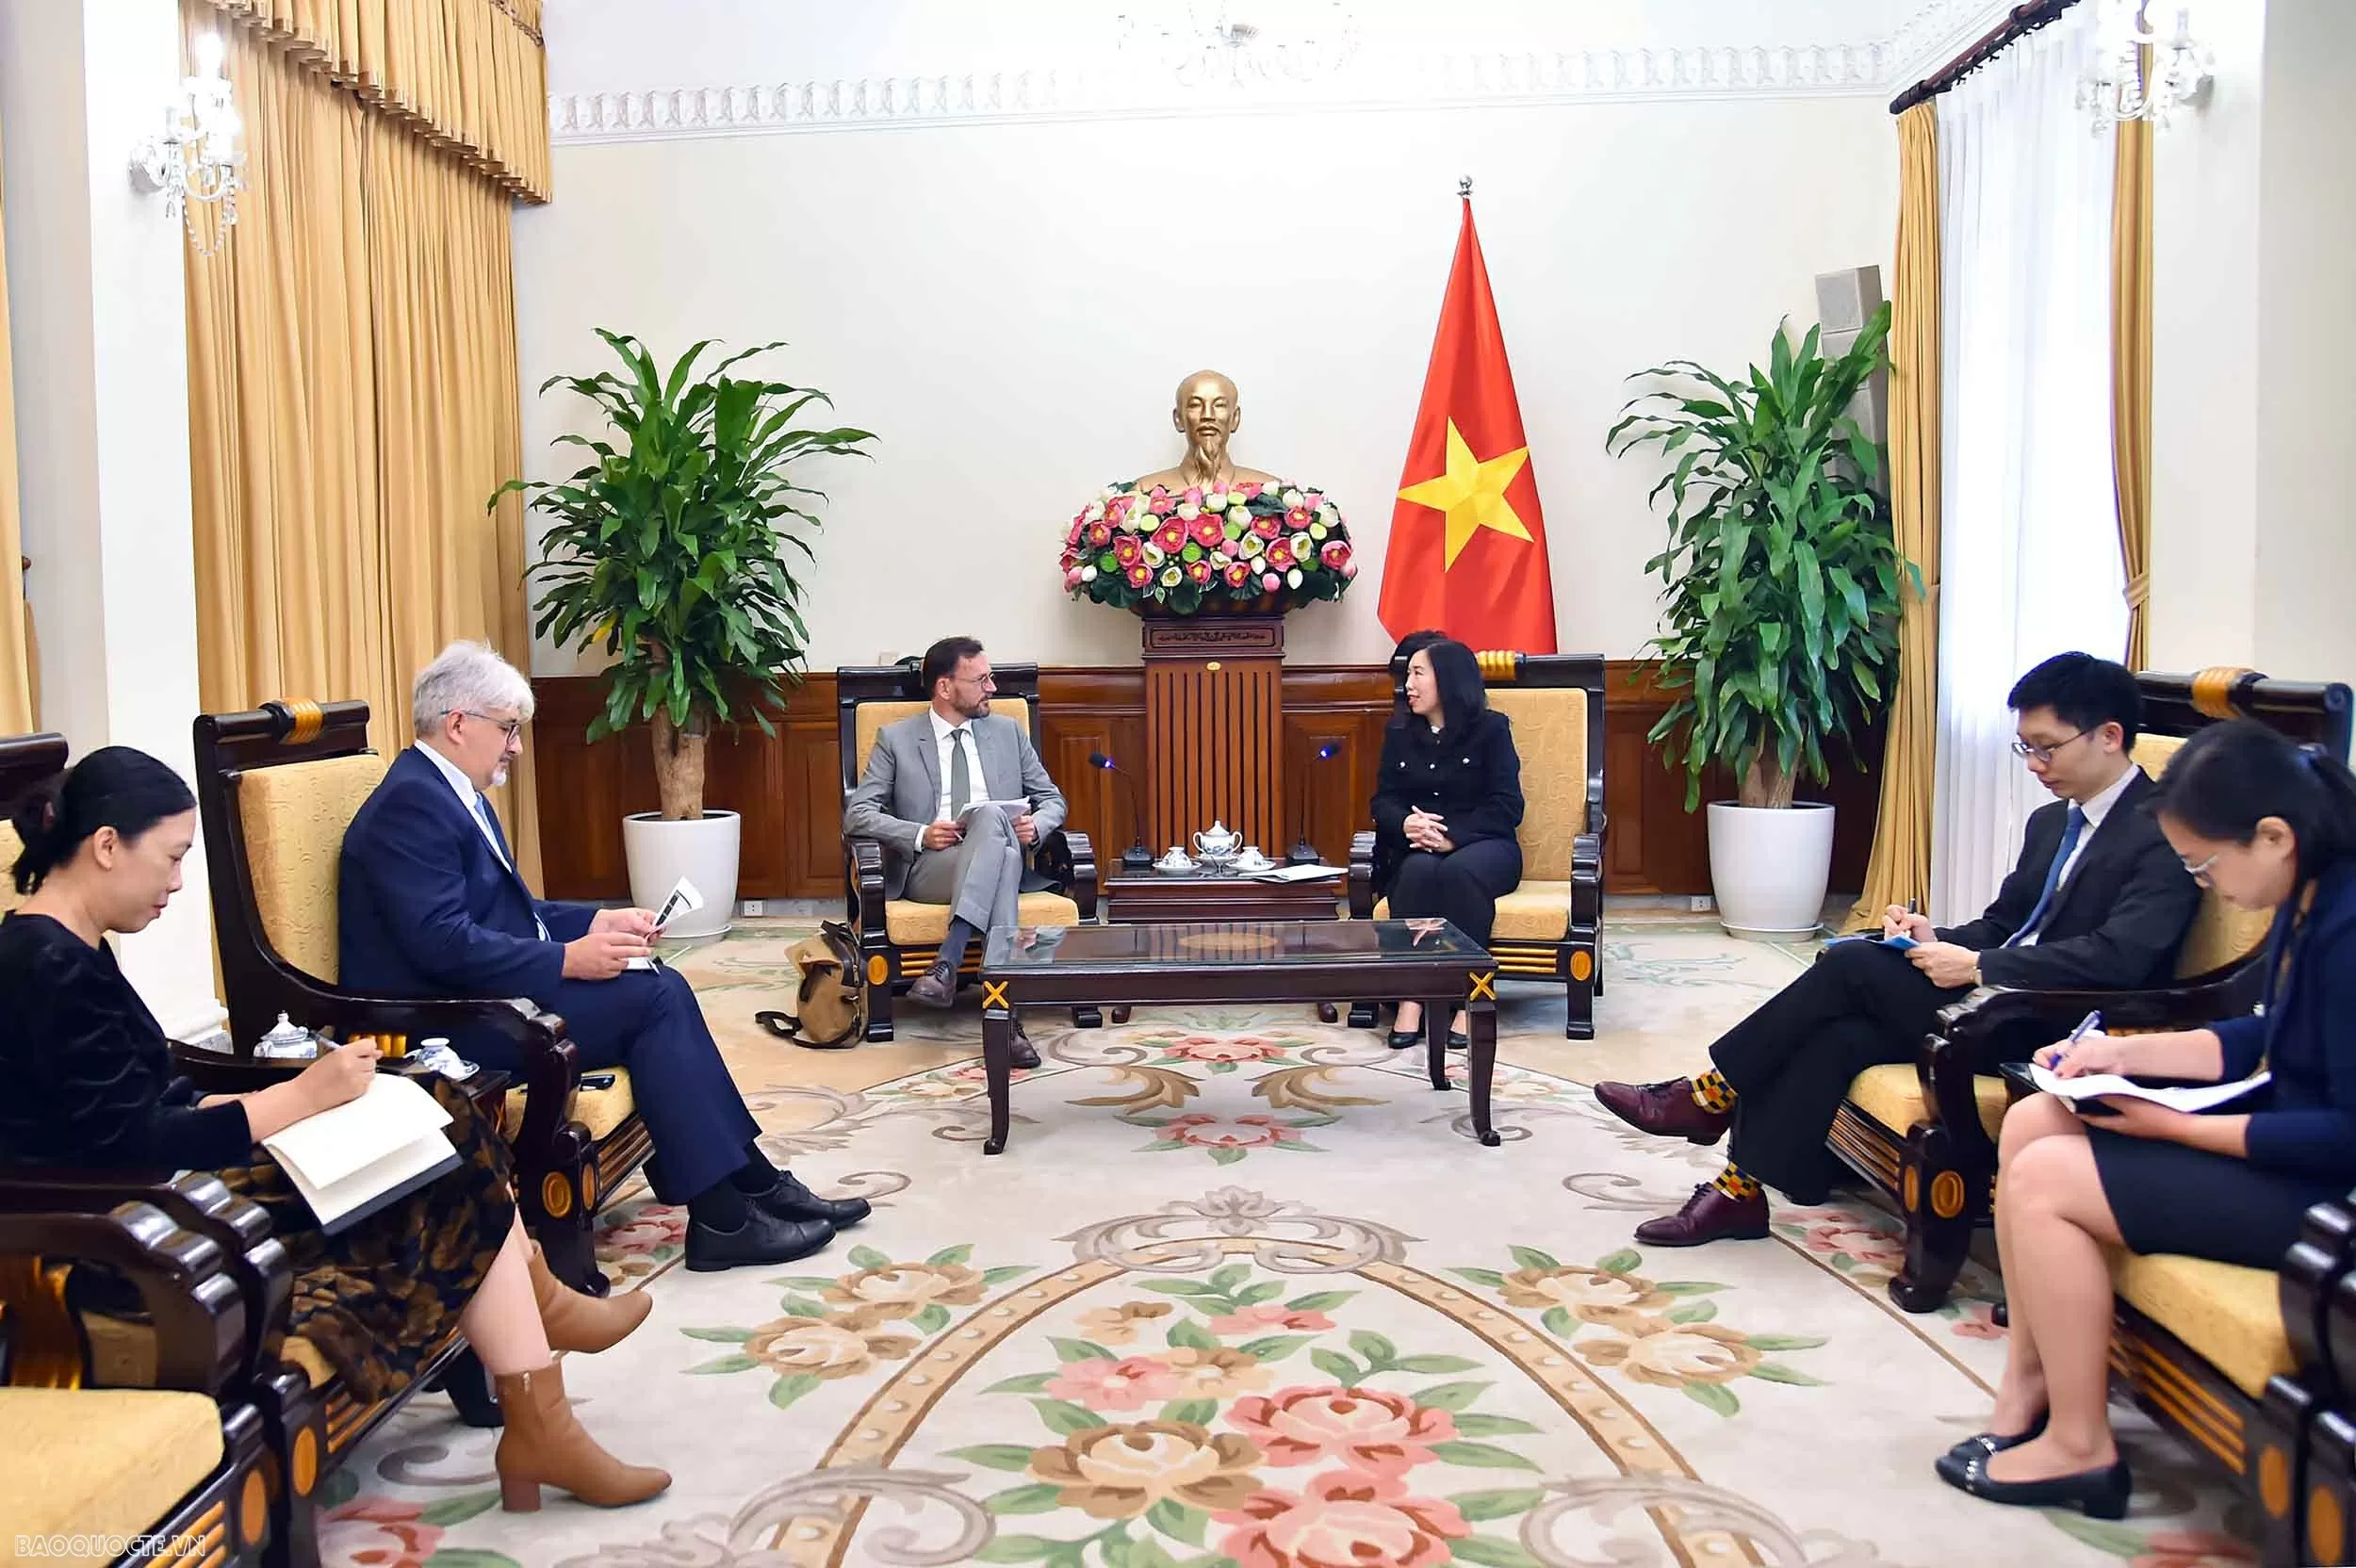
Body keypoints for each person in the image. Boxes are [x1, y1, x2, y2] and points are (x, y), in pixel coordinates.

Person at [0, 746, 669, 1512]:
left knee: (435, 1109)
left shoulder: (76, 946)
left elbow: (149, 1105)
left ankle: (538, 1370)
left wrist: (308, 1098)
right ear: (108, 845)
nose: (178, 883)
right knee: (440, 1172)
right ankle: (539, 1375)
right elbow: (137, 1144)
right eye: (173, 858)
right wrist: (300, 1098)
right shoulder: (40, 967)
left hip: (164, 1189)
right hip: (132, 1234)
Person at [1595, 652, 2202, 1246]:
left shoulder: (2163, 830)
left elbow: (2120, 959)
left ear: (2109, 736)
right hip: (1989, 997)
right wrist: (1935, 938)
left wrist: (1981, 966)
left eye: (2047, 747)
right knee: (1843, 1018)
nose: (2035, 764)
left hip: (2060, 1026)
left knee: (1851, 964)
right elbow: (2005, 925)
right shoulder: (2052, 823)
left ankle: (1709, 1094)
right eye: (2026, 748)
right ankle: (1739, 1191)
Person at [338, 641, 870, 1272]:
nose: (515, 746)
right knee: (651, 1000)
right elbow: (442, 943)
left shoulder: (450, 789)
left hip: (482, 995)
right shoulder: (413, 804)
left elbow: (504, 908)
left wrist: (598, 920)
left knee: (660, 988)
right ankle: (728, 1213)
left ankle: (746, 1191)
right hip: (436, 1022)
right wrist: (568, 959)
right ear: (458, 723)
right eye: (508, 729)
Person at [1939, 720, 2356, 1518]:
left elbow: (2345, 1134)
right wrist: (2124, 1059)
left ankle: (2082, 1451)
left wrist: (2179, 1129)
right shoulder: (2310, 893)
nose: (2205, 883)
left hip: (2327, 1196)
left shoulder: (2348, 923)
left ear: (2272, 836)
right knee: (2032, 1125)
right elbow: (2270, 1034)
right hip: (2287, 1148)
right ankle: (2032, 1387)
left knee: (2044, 1181)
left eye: (2204, 865)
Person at [842, 635, 1069, 1069]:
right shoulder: (897, 739)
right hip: (933, 869)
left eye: (991, 677)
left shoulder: (1007, 732)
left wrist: (1034, 826)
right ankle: (1005, 1014)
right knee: (995, 841)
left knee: (992, 830)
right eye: (981, 679)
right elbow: (858, 815)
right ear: (945, 687)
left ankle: (947, 964)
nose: (993, 688)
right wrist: (921, 833)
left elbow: (1053, 800)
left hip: (1005, 856)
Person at [1369, 636, 1525, 1049]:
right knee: (1417, 871)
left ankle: (1470, 1002)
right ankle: (1412, 997)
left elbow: (1507, 806)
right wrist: (1406, 825)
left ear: (1449, 680)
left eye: (1418, 674)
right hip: (1419, 849)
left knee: (1459, 872)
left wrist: (1451, 838)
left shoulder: (1492, 730)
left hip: (1486, 848)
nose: (1409, 685)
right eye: (1407, 676)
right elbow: (1383, 800)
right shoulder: (1400, 732)